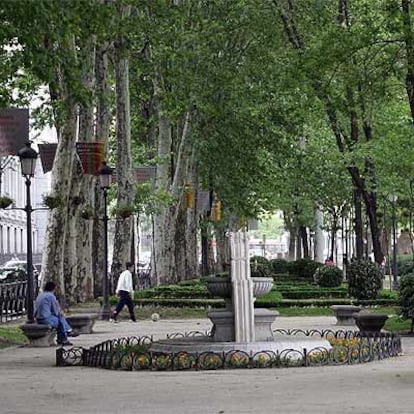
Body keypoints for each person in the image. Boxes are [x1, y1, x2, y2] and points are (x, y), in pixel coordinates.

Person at [34, 281, 79, 346]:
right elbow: (56, 311)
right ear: (54, 289)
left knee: (59, 318)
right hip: (46, 319)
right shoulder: (51, 296)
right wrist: (61, 311)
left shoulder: (40, 295)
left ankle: (68, 331)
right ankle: (65, 336)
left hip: (38, 318)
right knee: (60, 320)